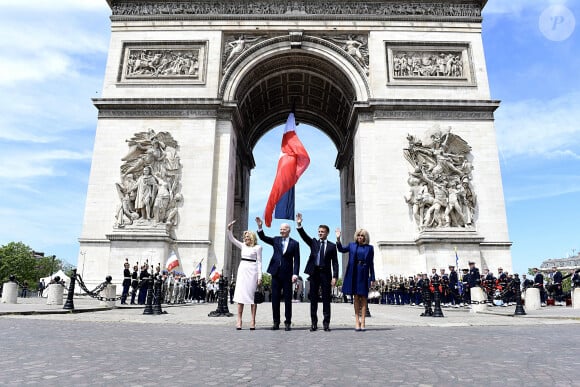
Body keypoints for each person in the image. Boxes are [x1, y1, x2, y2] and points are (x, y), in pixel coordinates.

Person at [296, 213, 339, 332]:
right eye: (319, 231)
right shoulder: (314, 242)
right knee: (313, 299)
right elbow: (304, 236)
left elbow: (335, 263)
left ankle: (326, 324)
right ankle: (313, 323)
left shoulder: (332, 246)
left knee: (326, 299)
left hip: (326, 275)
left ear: (327, 233)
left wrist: (335, 276)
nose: (320, 233)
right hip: (314, 274)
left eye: (322, 232)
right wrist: (299, 224)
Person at [256, 217, 300, 331]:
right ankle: (276, 322)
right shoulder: (275, 240)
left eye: (284, 229)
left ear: (289, 230)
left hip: (287, 275)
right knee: (275, 299)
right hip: (275, 273)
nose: (281, 231)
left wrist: (295, 274)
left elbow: (297, 260)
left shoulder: (295, 243)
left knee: (287, 299)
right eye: (280, 229)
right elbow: (263, 237)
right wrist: (260, 227)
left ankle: (288, 322)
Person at [336, 227, 375, 331]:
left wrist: (373, 278)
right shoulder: (352, 246)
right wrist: (338, 239)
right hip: (354, 273)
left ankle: (363, 322)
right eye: (358, 235)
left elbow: (371, 264)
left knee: (364, 298)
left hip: (364, 273)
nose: (360, 237)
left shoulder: (370, 248)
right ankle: (357, 321)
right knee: (356, 297)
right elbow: (341, 250)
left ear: (365, 237)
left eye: (362, 236)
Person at [227, 220, 263, 330]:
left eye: (248, 237)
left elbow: (260, 262)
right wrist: (229, 229)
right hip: (242, 270)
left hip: (253, 272)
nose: (246, 239)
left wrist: (260, 276)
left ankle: (253, 320)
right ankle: (239, 320)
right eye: (245, 237)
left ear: (252, 238)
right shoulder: (242, 246)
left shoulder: (258, 247)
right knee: (240, 297)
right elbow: (232, 239)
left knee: (253, 298)